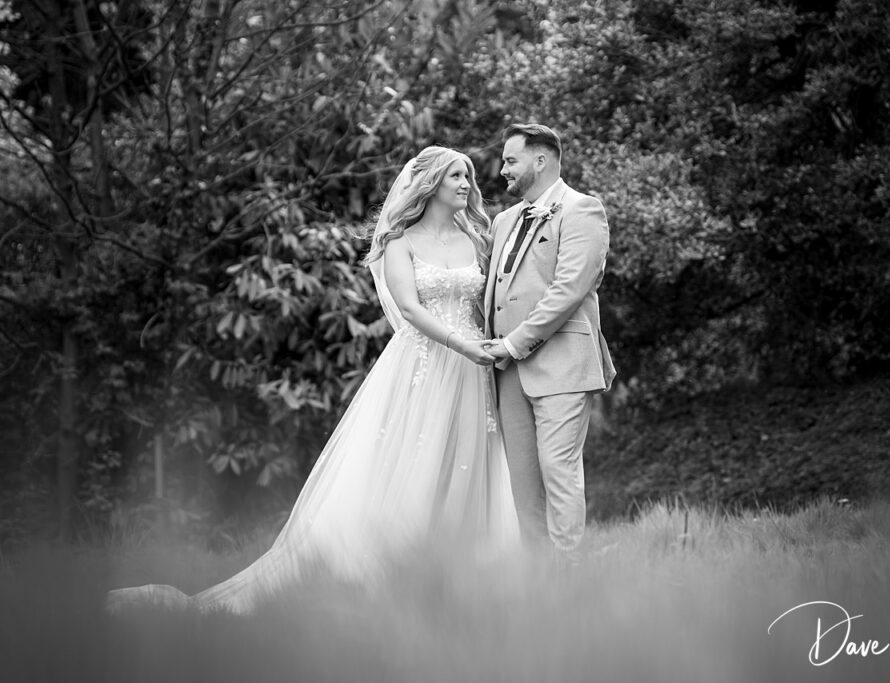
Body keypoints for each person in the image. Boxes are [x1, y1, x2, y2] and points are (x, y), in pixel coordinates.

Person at [107, 146, 519, 614]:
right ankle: (393, 573)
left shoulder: (477, 239)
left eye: (467, 176)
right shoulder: (401, 243)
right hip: (425, 364)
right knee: (415, 461)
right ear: (429, 185)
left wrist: (488, 345)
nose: (466, 184)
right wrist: (460, 344)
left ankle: (466, 576)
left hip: (473, 369)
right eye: (455, 176)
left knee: (466, 460)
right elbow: (408, 308)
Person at [483, 124, 616, 556]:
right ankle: (538, 590)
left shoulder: (583, 210)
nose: (501, 169)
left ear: (540, 161)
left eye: (509, 160)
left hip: (562, 365)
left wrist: (513, 342)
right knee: (522, 483)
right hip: (507, 374)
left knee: (559, 471)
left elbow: (568, 290)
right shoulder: (503, 221)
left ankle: (568, 580)